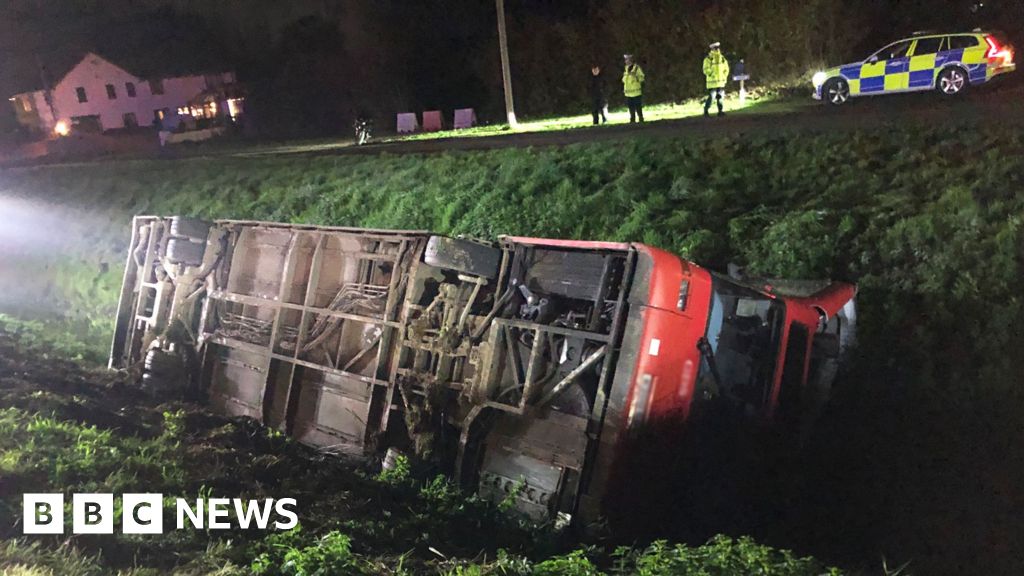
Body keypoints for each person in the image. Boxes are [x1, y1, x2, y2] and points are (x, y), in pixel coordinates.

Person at [703, 42, 730, 117]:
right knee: (712, 97)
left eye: (718, 47)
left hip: (721, 82)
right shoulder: (708, 59)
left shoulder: (722, 58)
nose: (717, 49)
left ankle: (720, 111)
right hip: (712, 83)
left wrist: (724, 76)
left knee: (720, 97)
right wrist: (712, 75)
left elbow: (726, 68)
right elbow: (705, 69)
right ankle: (706, 110)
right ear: (712, 49)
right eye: (716, 48)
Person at [622, 54, 645, 123]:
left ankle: (641, 118)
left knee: (638, 106)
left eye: (627, 59)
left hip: (636, 92)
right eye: (625, 59)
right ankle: (632, 119)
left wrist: (636, 78)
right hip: (628, 93)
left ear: (631, 60)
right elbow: (624, 79)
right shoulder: (626, 68)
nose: (626, 61)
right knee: (631, 107)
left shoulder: (636, 68)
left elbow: (642, 77)